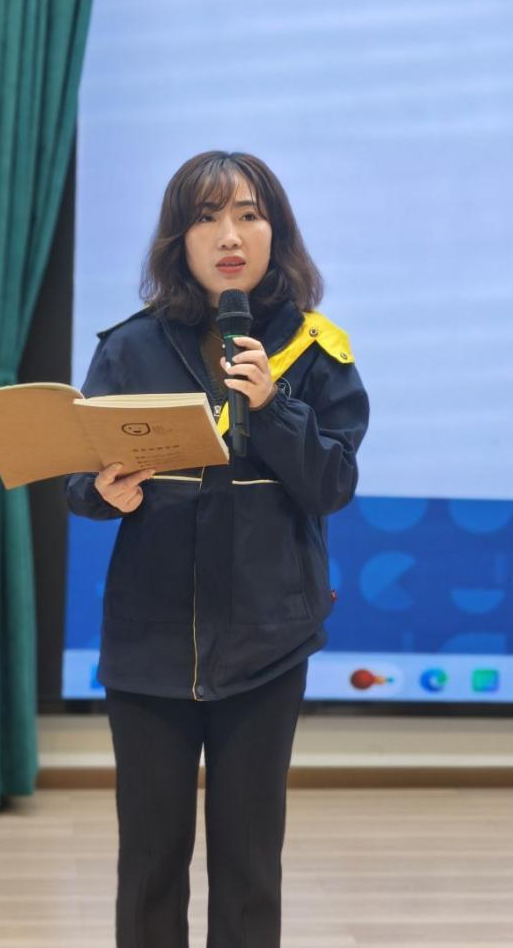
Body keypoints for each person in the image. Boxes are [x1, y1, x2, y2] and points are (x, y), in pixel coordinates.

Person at [65, 151, 369, 947]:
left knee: (248, 868)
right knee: (149, 864)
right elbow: (77, 481)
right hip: (150, 641)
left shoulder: (316, 351)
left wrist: (272, 407)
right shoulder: (130, 347)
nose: (228, 235)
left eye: (247, 215)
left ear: (276, 232)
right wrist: (103, 492)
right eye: (206, 218)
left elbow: (332, 484)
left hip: (267, 642)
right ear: (179, 239)